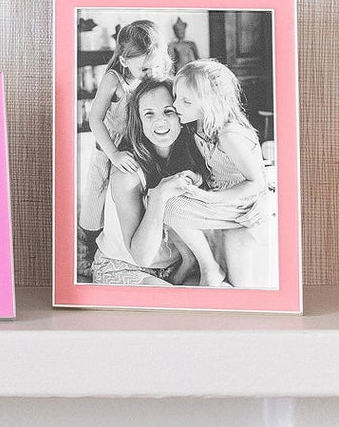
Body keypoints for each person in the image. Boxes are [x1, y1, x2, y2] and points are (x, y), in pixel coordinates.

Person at [85, 77, 212, 285]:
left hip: (176, 266)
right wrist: (159, 196)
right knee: (176, 310)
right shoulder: (127, 174)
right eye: (149, 114)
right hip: (125, 266)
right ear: (140, 122)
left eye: (168, 111)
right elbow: (141, 256)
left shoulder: (192, 155)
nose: (159, 121)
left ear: (181, 116)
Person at [171, 60, 275, 288]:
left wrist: (211, 199)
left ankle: (211, 268)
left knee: (171, 206)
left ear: (211, 104)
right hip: (221, 194)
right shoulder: (198, 125)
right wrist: (198, 178)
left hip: (241, 202)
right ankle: (199, 262)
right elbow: (216, 166)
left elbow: (256, 182)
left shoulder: (229, 135)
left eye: (186, 101)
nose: (176, 105)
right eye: (176, 96)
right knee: (164, 200)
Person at [77, 20, 167, 275]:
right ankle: (88, 250)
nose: (152, 73)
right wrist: (113, 154)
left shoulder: (152, 77)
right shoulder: (113, 80)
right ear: (126, 61)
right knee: (95, 202)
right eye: (146, 68)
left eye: (156, 66)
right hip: (109, 146)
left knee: (128, 199)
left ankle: (133, 240)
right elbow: (94, 119)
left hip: (138, 145)